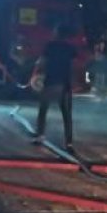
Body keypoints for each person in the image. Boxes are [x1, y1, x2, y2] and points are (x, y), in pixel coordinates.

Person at [32, 24, 79, 154]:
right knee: (67, 115)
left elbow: (42, 61)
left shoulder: (50, 46)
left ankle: (40, 136)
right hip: (65, 84)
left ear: (57, 33)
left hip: (51, 82)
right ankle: (69, 143)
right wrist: (73, 82)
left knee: (43, 110)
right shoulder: (70, 48)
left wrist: (36, 72)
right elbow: (74, 65)